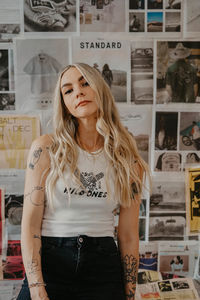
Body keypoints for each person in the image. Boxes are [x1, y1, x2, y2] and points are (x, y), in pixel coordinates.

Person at [17, 63, 149, 300]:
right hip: (50, 263)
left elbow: (128, 235)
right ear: (65, 104)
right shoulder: (46, 149)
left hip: (102, 268)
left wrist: (129, 294)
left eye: (85, 83)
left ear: (100, 88)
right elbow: (30, 225)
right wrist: (37, 289)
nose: (77, 92)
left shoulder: (127, 158)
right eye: (68, 90)